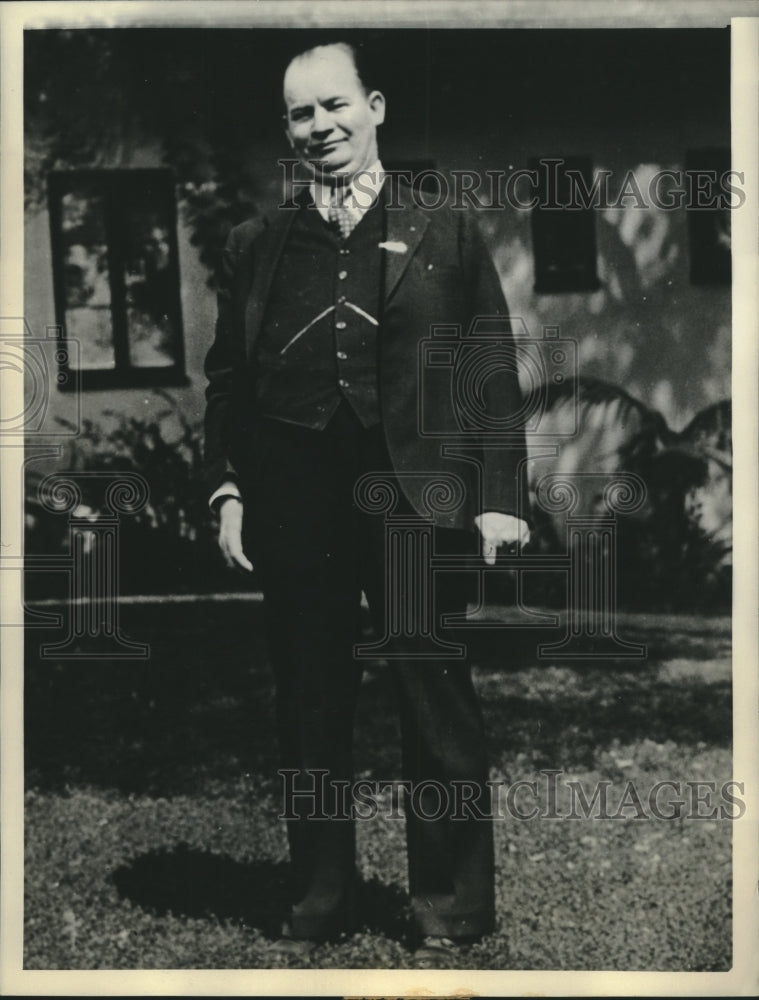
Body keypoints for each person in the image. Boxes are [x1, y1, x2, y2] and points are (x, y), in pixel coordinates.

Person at [203, 40, 530, 963]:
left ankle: (452, 905)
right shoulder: (256, 245)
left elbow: (488, 370)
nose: (321, 128)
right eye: (302, 115)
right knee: (309, 703)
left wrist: (499, 496)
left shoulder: (446, 227)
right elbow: (226, 380)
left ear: (375, 105)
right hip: (292, 503)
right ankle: (318, 894)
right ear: (288, 131)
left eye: (335, 106)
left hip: (415, 501)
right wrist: (227, 487)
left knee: (433, 699)